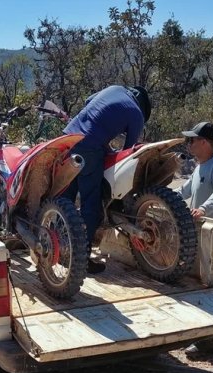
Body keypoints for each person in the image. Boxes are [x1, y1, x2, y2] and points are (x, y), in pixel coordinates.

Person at [62, 85, 151, 274]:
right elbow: (129, 153)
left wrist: (104, 141)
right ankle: (81, 258)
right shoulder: (137, 114)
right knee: (91, 205)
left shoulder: (114, 89)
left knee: (65, 197)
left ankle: (60, 247)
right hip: (89, 146)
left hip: (67, 137)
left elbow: (88, 101)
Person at [173, 121, 213, 357]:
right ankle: (200, 335)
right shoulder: (198, 168)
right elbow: (184, 192)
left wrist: (204, 209)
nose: (190, 144)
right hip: (195, 231)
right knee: (193, 281)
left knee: (210, 283)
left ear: (204, 143)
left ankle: (209, 342)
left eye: (193, 140)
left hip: (211, 232)